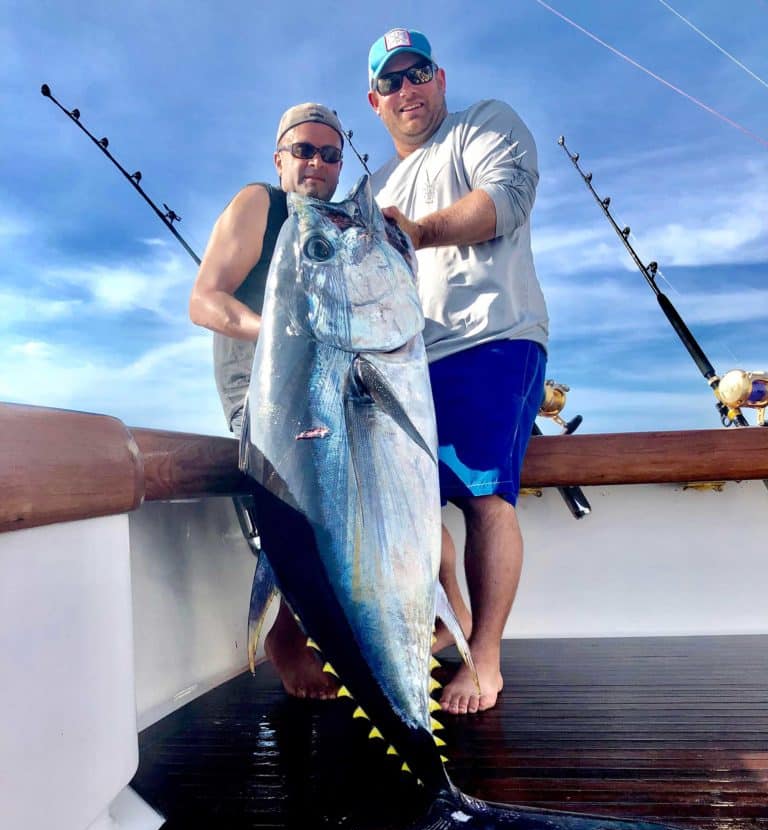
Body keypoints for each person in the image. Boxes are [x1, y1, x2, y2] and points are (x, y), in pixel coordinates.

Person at [366, 28, 549, 715]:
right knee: (412, 507)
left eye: (418, 74)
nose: (407, 90)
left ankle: (489, 660)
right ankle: (452, 622)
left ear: (440, 78)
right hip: (404, 360)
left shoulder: (483, 124)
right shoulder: (372, 184)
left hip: (490, 340)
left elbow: (505, 201)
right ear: (375, 99)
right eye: (392, 81)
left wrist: (417, 231)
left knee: (481, 497)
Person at [189, 102, 345, 699]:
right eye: (303, 150)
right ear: (279, 158)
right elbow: (204, 301)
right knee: (290, 502)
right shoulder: (260, 202)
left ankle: (429, 619)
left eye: (330, 154)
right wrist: (275, 331)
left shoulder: (335, 225)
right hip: (262, 392)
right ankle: (284, 638)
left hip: (324, 390)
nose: (316, 163)